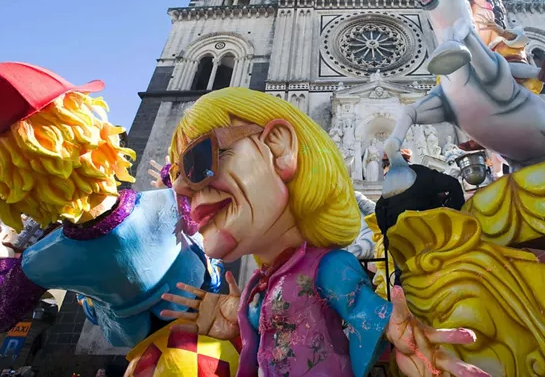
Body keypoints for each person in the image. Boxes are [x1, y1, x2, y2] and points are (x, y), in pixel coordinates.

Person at [157, 88, 489, 377]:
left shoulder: (326, 267)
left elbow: (359, 306)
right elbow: (269, 331)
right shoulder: (262, 282)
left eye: (197, 161)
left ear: (280, 146)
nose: (183, 188)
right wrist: (235, 315)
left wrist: (394, 327)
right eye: (174, 177)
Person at [0, 62, 222, 348]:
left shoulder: (43, 260)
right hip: (212, 341)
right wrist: (172, 181)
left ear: (5, 183)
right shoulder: (169, 202)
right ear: (97, 137)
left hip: (144, 351)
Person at [374, 149, 465, 285]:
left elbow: (381, 218)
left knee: (407, 285)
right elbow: (453, 184)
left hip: (405, 252)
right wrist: (451, 215)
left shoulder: (386, 195)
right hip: (433, 242)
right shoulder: (420, 173)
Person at [461, 0, 545, 94]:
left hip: (512, 76)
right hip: (482, 87)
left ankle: (541, 73)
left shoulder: (504, 37)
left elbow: (518, 39)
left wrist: (501, 32)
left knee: (503, 66)